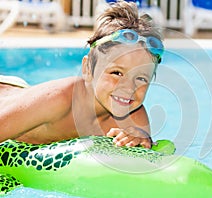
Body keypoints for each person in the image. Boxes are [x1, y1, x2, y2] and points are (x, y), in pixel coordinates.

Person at [0, 0, 164, 148]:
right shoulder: (60, 100)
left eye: (141, 78)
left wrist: (142, 140)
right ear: (87, 69)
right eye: (116, 73)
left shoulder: (134, 119)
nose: (128, 87)